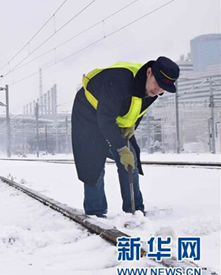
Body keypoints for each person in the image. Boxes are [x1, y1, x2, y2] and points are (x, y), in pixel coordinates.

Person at [71, 56, 180, 217]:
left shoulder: (153, 90)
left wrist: (131, 127)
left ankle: (134, 209)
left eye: (163, 89)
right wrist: (121, 149)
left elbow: (137, 110)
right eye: (157, 85)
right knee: (92, 161)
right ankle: (96, 211)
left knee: (131, 161)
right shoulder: (119, 80)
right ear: (149, 72)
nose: (158, 91)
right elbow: (105, 119)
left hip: (111, 117)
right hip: (88, 114)